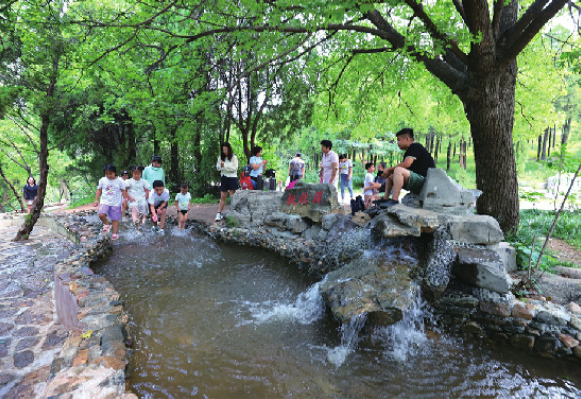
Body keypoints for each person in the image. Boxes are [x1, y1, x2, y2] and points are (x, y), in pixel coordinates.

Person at [381, 128, 435, 205]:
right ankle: (385, 199)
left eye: (399, 140)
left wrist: (389, 170)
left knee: (398, 170)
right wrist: (390, 172)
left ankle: (394, 200)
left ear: (407, 139)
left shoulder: (415, 146)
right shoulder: (410, 150)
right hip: (418, 179)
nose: (397, 143)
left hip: (425, 181)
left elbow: (406, 164)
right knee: (391, 176)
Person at [94, 164, 127, 240]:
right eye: (106, 174)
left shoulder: (120, 181)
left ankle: (115, 233)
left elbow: (123, 191)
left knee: (115, 219)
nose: (109, 175)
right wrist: (96, 200)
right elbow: (99, 190)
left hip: (115, 203)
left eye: (110, 173)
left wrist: (125, 201)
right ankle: (107, 224)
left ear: (115, 172)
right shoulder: (102, 180)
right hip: (104, 201)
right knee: (101, 214)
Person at [215, 142, 239, 221]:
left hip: (232, 178)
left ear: (229, 149)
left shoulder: (234, 158)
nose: (224, 151)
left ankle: (232, 213)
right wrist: (222, 167)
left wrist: (224, 166)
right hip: (224, 177)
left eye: (226, 149)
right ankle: (219, 213)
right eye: (223, 150)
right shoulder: (220, 157)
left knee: (232, 196)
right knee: (222, 197)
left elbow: (234, 169)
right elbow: (218, 168)